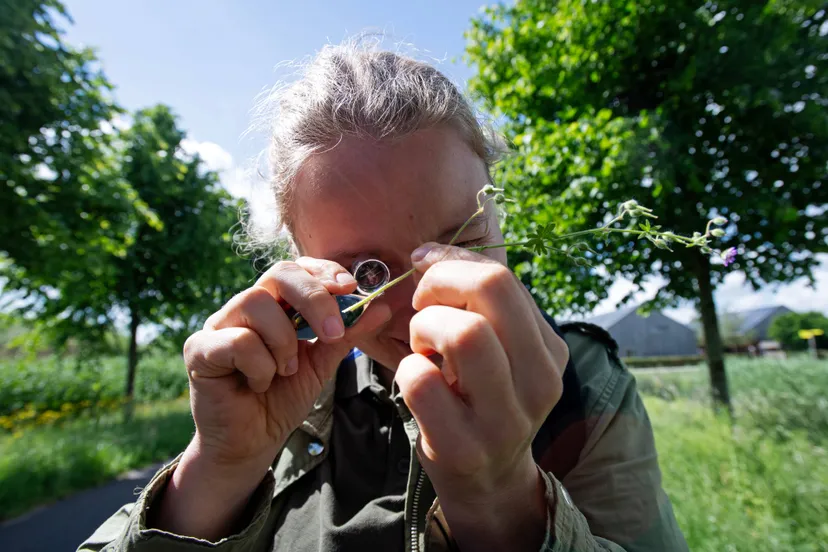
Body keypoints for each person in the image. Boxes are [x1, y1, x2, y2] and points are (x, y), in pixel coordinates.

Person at [79, 41, 688, 552]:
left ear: (496, 210)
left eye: (463, 242)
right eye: (367, 273)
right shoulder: (274, 387)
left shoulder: (583, 383)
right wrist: (217, 470)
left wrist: (502, 499)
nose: (424, 303)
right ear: (301, 264)